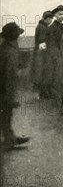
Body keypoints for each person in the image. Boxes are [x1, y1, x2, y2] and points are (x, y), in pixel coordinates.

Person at [0, 22, 30, 150]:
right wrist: (9, 96)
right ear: (14, 36)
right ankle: (8, 140)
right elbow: (8, 74)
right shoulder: (9, 51)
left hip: (5, 88)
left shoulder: (6, 48)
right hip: (5, 89)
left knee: (6, 114)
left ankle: (10, 137)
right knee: (6, 114)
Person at [45, 5, 63, 102]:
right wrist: (58, 57)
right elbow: (51, 45)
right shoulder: (51, 28)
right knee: (55, 76)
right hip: (54, 56)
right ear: (55, 15)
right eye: (59, 14)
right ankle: (56, 96)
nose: (62, 16)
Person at [32, 11, 53, 97]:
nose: (51, 21)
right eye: (50, 19)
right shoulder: (43, 27)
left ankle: (43, 92)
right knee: (43, 72)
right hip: (42, 54)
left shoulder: (40, 26)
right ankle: (44, 92)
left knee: (41, 72)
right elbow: (42, 40)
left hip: (39, 52)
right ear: (47, 19)